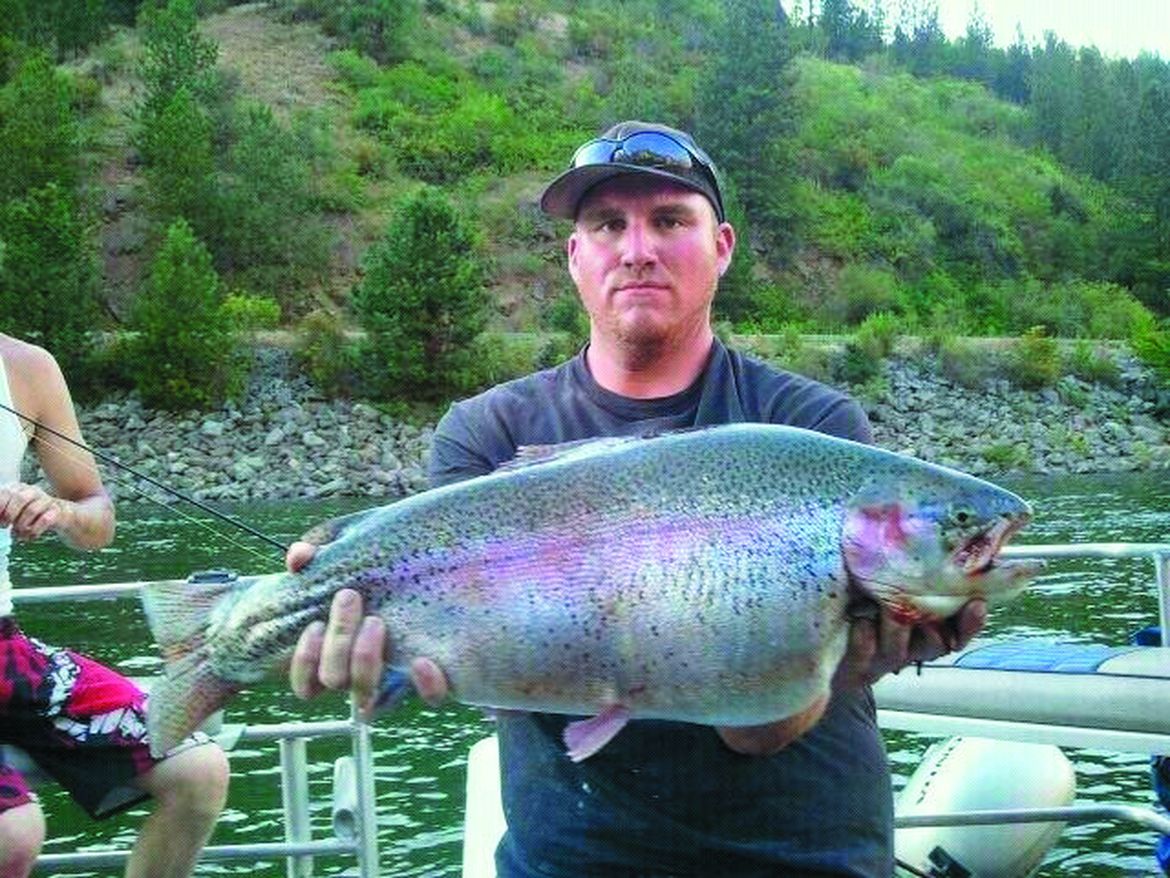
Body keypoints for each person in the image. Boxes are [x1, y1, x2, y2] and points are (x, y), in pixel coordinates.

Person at [285, 121, 987, 876]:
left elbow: (759, 736)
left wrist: (834, 663)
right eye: (608, 224)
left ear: (721, 246)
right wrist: (357, 627)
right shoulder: (488, 434)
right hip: (570, 856)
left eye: (669, 220)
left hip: (802, 850)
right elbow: (474, 657)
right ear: (574, 256)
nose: (637, 248)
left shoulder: (809, 431)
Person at [0, 335, 230, 878]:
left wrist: (55, 510)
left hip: (8, 652)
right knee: (13, 833)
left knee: (198, 770)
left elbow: (96, 517)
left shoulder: (26, 369)